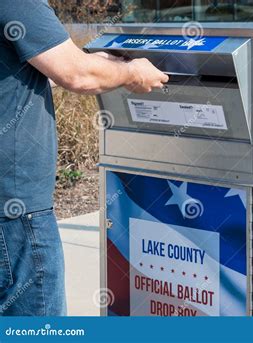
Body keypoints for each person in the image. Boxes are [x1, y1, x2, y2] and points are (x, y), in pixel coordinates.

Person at [0, 0, 169, 316]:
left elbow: (28, 69)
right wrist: (131, 72)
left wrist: (99, 62)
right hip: (17, 210)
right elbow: (77, 75)